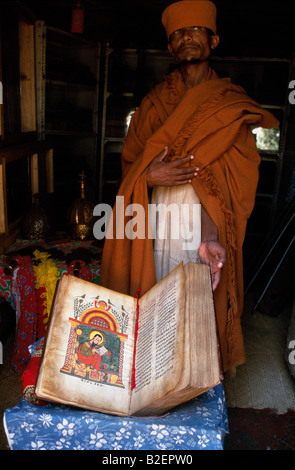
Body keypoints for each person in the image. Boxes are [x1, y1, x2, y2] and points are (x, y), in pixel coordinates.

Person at [100, 0, 278, 373]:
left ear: (213, 40)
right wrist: (150, 177)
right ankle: (150, 375)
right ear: (169, 47)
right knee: (153, 293)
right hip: (155, 217)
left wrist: (211, 234)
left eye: (195, 30)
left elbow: (238, 180)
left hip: (204, 223)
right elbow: (130, 165)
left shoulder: (231, 106)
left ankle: (195, 378)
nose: (186, 38)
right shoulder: (152, 106)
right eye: (178, 34)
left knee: (199, 299)